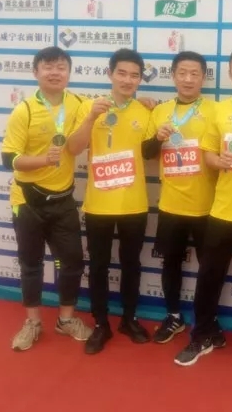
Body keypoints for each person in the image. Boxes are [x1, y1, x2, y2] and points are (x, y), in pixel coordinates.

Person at [148, 51, 232, 346]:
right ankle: (186, 324)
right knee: (190, 270)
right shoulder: (177, 111)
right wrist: (214, 160)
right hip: (195, 207)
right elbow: (199, 153)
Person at [1, 46, 92, 351]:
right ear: (35, 72)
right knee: (31, 264)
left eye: (61, 67)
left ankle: (65, 319)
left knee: (73, 262)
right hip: (28, 200)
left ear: (69, 72)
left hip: (63, 199)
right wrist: (43, 160)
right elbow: (8, 159)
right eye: (48, 67)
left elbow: (113, 106)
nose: (55, 72)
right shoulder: (24, 110)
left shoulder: (79, 104)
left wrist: (147, 102)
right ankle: (32, 323)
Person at [66, 48, 156, 355]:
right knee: (99, 266)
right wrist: (92, 117)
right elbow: (73, 147)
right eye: (122, 73)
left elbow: (150, 153)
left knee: (132, 264)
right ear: (110, 74)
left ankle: (129, 319)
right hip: (99, 204)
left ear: (140, 79)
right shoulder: (90, 107)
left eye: (134, 75)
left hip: (134, 203)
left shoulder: (145, 111)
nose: (128, 80)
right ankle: (101, 323)